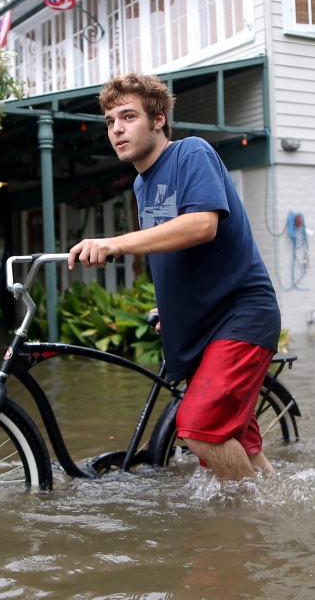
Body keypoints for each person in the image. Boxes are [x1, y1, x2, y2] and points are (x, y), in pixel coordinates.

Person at [68, 73, 282, 481]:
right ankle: (272, 509)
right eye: (110, 121)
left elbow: (201, 225)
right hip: (201, 322)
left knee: (199, 429)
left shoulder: (191, 154)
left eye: (128, 117)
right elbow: (170, 249)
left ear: (159, 119)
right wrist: (172, 307)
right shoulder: (140, 183)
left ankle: (251, 528)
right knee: (239, 444)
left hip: (241, 315)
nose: (117, 129)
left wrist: (117, 243)